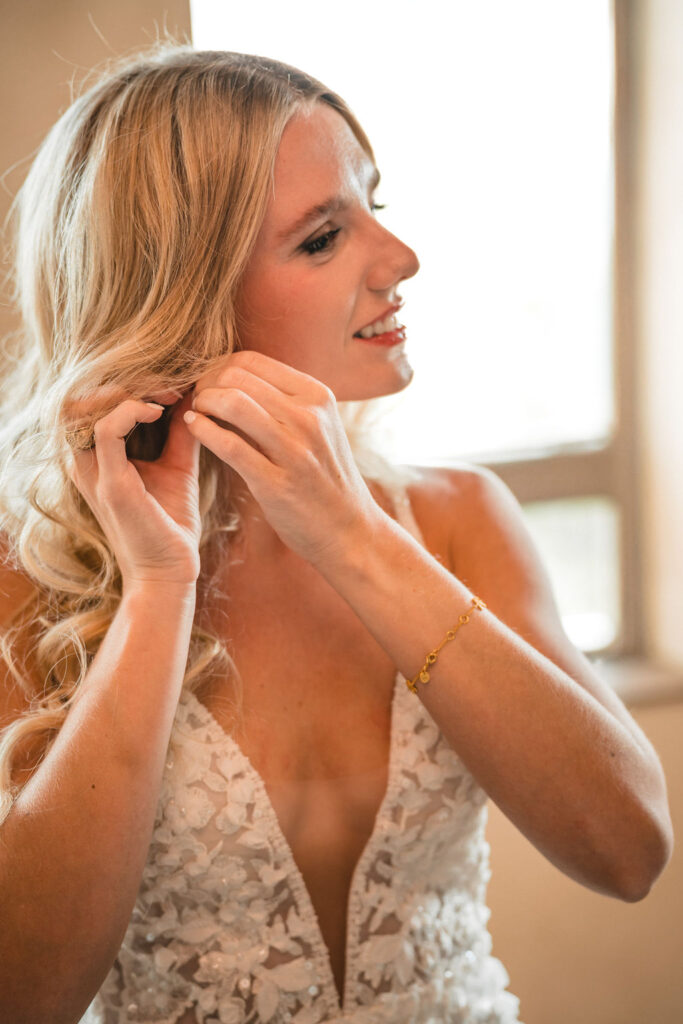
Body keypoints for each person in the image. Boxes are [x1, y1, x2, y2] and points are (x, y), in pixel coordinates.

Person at [0, 40, 673, 1024]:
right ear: (180, 298)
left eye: (375, 207)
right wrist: (156, 588)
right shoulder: (33, 580)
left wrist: (351, 533)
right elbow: (25, 993)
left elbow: (627, 850)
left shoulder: (455, 518)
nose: (400, 259)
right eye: (321, 237)